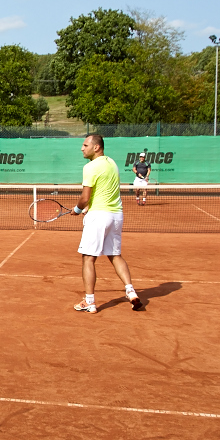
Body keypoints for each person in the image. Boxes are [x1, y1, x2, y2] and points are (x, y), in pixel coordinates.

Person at [70, 133, 143, 314]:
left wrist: (78, 209)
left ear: (96, 147)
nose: (82, 148)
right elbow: (104, 192)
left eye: (85, 145)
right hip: (116, 216)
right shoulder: (112, 163)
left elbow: (85, 198)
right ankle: (131, 292)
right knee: (115, 255)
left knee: (88, 258)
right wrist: (89, 207)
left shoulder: (90, 167)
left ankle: (90, 302)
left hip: (99, 217)